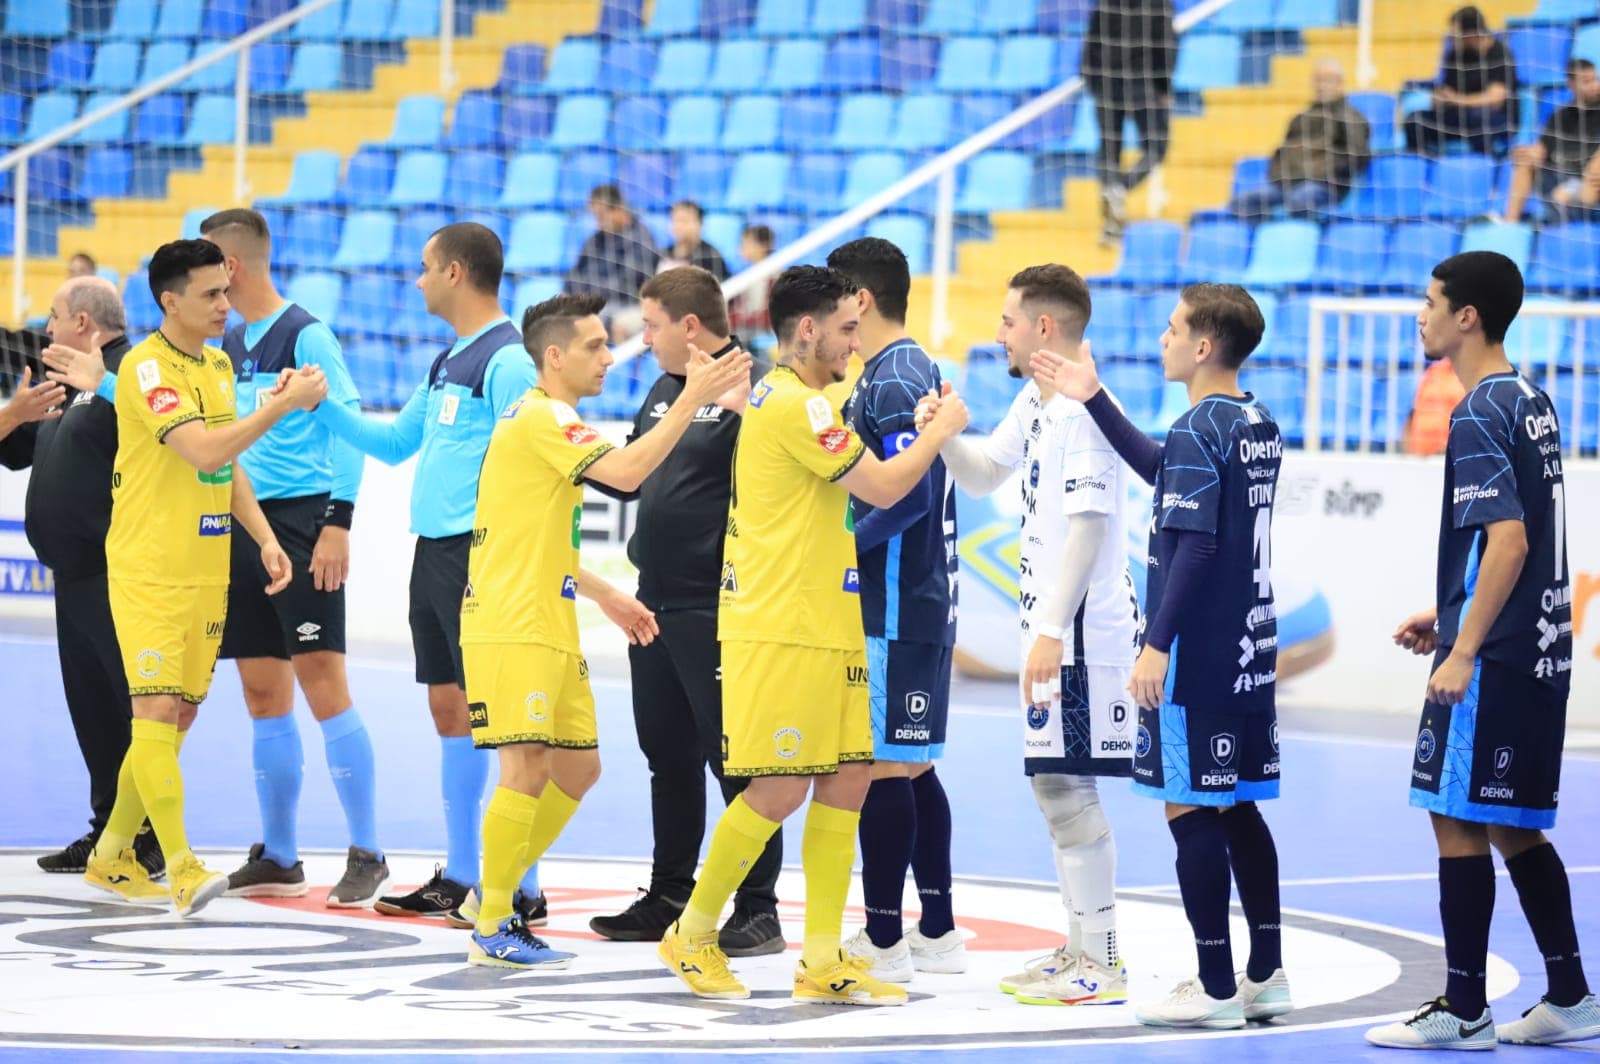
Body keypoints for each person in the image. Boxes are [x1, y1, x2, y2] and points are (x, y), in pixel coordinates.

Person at [655, 265, 969, 1005]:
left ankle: (822, 958)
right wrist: (941, 432)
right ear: (808, 329)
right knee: (778, 787)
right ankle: (691, 933)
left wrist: (921, 426)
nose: (856, 343)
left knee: (850, 778)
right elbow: (886, 487)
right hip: (782, 627)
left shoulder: (796, 397)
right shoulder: (799, 407)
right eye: (847, 329)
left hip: (828, 622)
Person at [460, 292, 752, 968]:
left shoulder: (549, 419)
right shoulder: (542, 416)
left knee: (578, 767)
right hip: (514, 621)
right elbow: (625, 474)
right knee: (525, 766)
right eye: (594, 346)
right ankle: (495, 920)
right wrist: (692, 399)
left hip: (546, 614)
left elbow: (533, 538)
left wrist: (607, 594)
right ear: (554, 356)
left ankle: (491, 892)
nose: (609, 356)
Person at [1365, 252, 1598, 1050]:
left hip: (1494, 662)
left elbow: (1509, 539)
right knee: (1513, 825)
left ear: (1467, 316)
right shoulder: (1531, 400)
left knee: (1455, 816)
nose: (1420, 314)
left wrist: (1462, 647)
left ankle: (1464, 1009)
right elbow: (1525, 541)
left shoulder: (1476, 412)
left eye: (1431, 302)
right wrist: (1452, 612)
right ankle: (1571, 996)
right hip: (1536, 647)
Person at [1043, 284, 1290, 1029]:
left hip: (1198, 651)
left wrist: (1156, 645)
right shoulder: (1255, 420)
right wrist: (1094, 397)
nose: (1163, 339)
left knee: (1190, 808)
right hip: (1250, 648)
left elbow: (1198, 546)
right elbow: (1165, 471)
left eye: (1174, 329)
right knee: (1237, 804)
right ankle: (1265, 974)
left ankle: (1214, 985)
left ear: (1203, 346)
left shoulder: (1196, 426)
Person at [82, 238, 328, 917]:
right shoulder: (145, 367)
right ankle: (182, 865)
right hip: (151, 570)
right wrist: (281, 406)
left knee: (179, 715)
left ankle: (110, 855)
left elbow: (226, 465)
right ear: (170, 301)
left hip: (205, 568)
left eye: (226, 290)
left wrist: (265, 538)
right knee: (157, 710)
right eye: (211, 294)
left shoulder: (217, 365)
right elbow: (202, 449)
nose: (226, 304)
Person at [915, 264, 1139, 1006]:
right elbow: (984, 475)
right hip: (1056, 632)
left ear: (1044, 327)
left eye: (1009, 320)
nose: (999, 333)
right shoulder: (1035, 399)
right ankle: (1082, 949)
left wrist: (1049, 632)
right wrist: (946, 436)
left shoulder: (1082, 411)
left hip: (1082, 636)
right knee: (1056, 788)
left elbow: (1090, 529)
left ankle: (1101, 960)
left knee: (1067, 790)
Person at [315, 222, 551, 921]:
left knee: (501, 722)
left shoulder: (508, 362)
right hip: (436, 554)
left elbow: (532, 466)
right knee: (451, 709)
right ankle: (463, 873)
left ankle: (523, 886)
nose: (416, 280)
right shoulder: (449, 359)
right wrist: (316, 405)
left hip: (481, 555)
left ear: (454, 272)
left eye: (424, 267)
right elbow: (394, 444)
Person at [586, 267, 785, 956]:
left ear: (690, 326)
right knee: (667, 756)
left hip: (718, 604)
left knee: (738, 761)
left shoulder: (757, 385)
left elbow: (788, 477)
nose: (644, 339)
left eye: (652, 326)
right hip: (653, 600)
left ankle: (758, 908)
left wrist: (748, 410)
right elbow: (634, 479)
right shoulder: (664, 389)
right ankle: (670, 892)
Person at [196, 209, 389, 907]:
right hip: (246, 524)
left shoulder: (306, 334)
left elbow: (349, 429)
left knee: (322, 683)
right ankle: (280, 855)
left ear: (230, 267)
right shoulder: (231, 342)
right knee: (262, 693)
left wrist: (339, 522)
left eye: (206, 265)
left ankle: (369, 852)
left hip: (306, 524)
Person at [823, 238, 962, 984]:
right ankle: (936, 930)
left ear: (862, 299)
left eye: (838, 302)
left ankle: (885, 940)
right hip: (910, 600)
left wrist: (841, 551)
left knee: (883, 765)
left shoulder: (898, 372)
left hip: (897, 602)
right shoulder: (894, 371)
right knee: (910, 763)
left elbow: (910, 495)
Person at [0, 278, 166, 877]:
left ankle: (149, 836)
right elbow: (13, 451)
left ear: (84, 323)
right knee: (92, 711)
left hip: (117, 573)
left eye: (54, 316)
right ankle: (107, 832)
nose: (46, 328)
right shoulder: (66, 380)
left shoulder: (134, 374)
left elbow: (172, 447)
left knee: (135, 710)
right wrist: (15, 413)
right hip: (71, 576)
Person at [1083, 0, 1177, 241]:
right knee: (1157, 147)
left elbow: (1091, 44)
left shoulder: (1107, 3)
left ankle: (1111, 216)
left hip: (1106, 85)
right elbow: (1165, 45)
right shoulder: (1158, 4)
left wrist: (1093, 82)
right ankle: (1121, 189)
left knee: (1109, 151)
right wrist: (1164, 87)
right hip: (1142, 85)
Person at [1232, 60, 1371, 219]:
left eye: (1327, 80)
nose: (1321, 86)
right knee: (1242, 203)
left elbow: (1358, 157)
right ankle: (1262, 234)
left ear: (1340, 83)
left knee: (1298, 200)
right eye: (1318, 80)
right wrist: (1281, 176)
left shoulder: (1351, 118)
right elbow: (1282, 152)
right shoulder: (1300, 118)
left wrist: (1324, 171)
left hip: (1324, 186)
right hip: (1288, 184)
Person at [1404, 6, 1518, 158]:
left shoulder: (1500, 54)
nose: (1451, 38)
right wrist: (1439, 98)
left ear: (1471, 34)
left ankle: (1487, 164)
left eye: (1455, 33)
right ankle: (1429, 165)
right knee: (1414, 121)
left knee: (1480, 118)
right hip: (1459, 115)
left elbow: (1495, 99)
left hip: (1495, 118)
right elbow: (1447, 91)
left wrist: (1456, 99)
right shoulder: (1455, 55)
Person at [1503, 59, 1600, 223]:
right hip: (1558, 174)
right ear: (1571, 85)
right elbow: (1541, 150)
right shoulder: (1560, 116)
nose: (1594, 85)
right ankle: (1510, 222)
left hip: (1588, 180)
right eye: (1586, 81)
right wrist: (1526, 152)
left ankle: (1581, 220)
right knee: (1525, 160)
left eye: (1595, 79)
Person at [565, 184, 659, 340]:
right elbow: (575, 275)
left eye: (601, 216)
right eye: (596, 217)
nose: (598, 222)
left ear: (618, 210)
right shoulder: (595, 240)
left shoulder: (641, 239)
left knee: (590, 322)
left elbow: (628, 284)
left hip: (626, 305)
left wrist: (589, 299)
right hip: (594, 303)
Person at [1402, 358, 1466, 456]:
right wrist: (1407, 455)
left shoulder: (1467, 374)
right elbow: (1412, 413)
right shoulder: (1433, 371)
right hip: (1418, 454)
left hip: (1450, 455)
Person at [659, 201, 729, 281]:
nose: (679, 225)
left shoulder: (711, 255)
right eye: (675, 220)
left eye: (684, 220)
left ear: (700, 224)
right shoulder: (664, 253)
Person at [728, 224, 775, 340]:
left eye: (747, 243)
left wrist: (733, 319)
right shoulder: (747, 274)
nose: (742, 248)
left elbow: (767, 317)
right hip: (747, 329)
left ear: (763, 246)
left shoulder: (773, 276)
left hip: (763, 334)